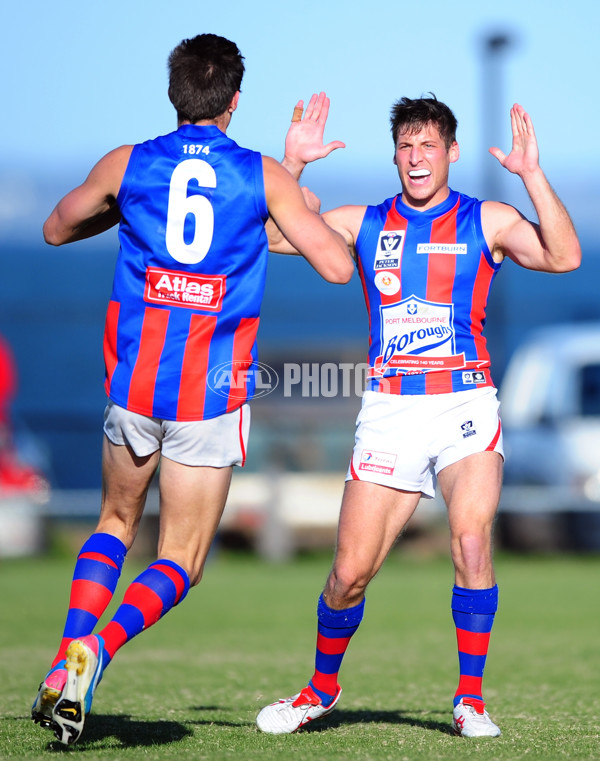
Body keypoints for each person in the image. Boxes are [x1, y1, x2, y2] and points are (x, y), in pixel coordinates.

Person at [31, 36, 353, 746]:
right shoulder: (260, 175)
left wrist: (126, 209)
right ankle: (98, 650)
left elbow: (56, 228)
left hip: (133, 387)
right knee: (179, 558)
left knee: (114, 523)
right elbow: (333, 264)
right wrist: (293, 186)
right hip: (208, 396)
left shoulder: (128, 163)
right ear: (235, 101)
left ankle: (64, 660)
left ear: (173, 93)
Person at [256, 94, 581, 737]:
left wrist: (532, 175)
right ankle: (320, 689)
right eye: (405, 146)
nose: (416, 158)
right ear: (395, 155)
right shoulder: (365, 221)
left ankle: (469, 700)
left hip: (465, 403)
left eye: (428, 145)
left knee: (468, 540)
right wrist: (291, 164)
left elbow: (564, 255)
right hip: (390, 410)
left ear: (451, 152)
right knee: (349, 573)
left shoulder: (486, 219)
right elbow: (267, 232)